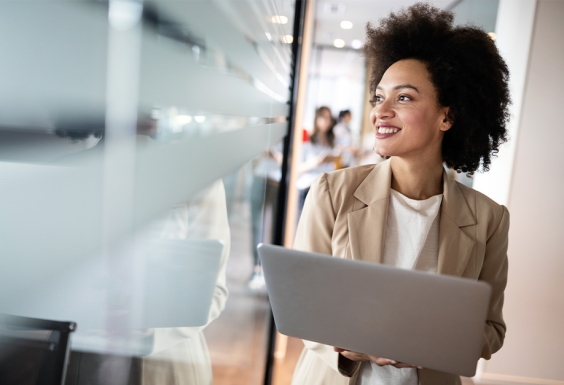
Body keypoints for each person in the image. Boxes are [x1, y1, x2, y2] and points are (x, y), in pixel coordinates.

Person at [291, 4, 510, 385]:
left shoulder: (488, 218)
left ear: (448, 116)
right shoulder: (332, 192)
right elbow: (300, 306)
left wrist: (424, 341)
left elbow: (491, 330)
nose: (381, 112)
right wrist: (352, 345)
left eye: (404, 98)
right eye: (379, 97)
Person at [297, 106, 340, 208]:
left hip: (325, 191)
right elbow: (297, 168)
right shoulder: (307, 139)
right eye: (324, 117)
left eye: (329, 118)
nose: (327, 121)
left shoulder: (331, 141)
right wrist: (318, 161)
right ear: (316, 118)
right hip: (308, 188)